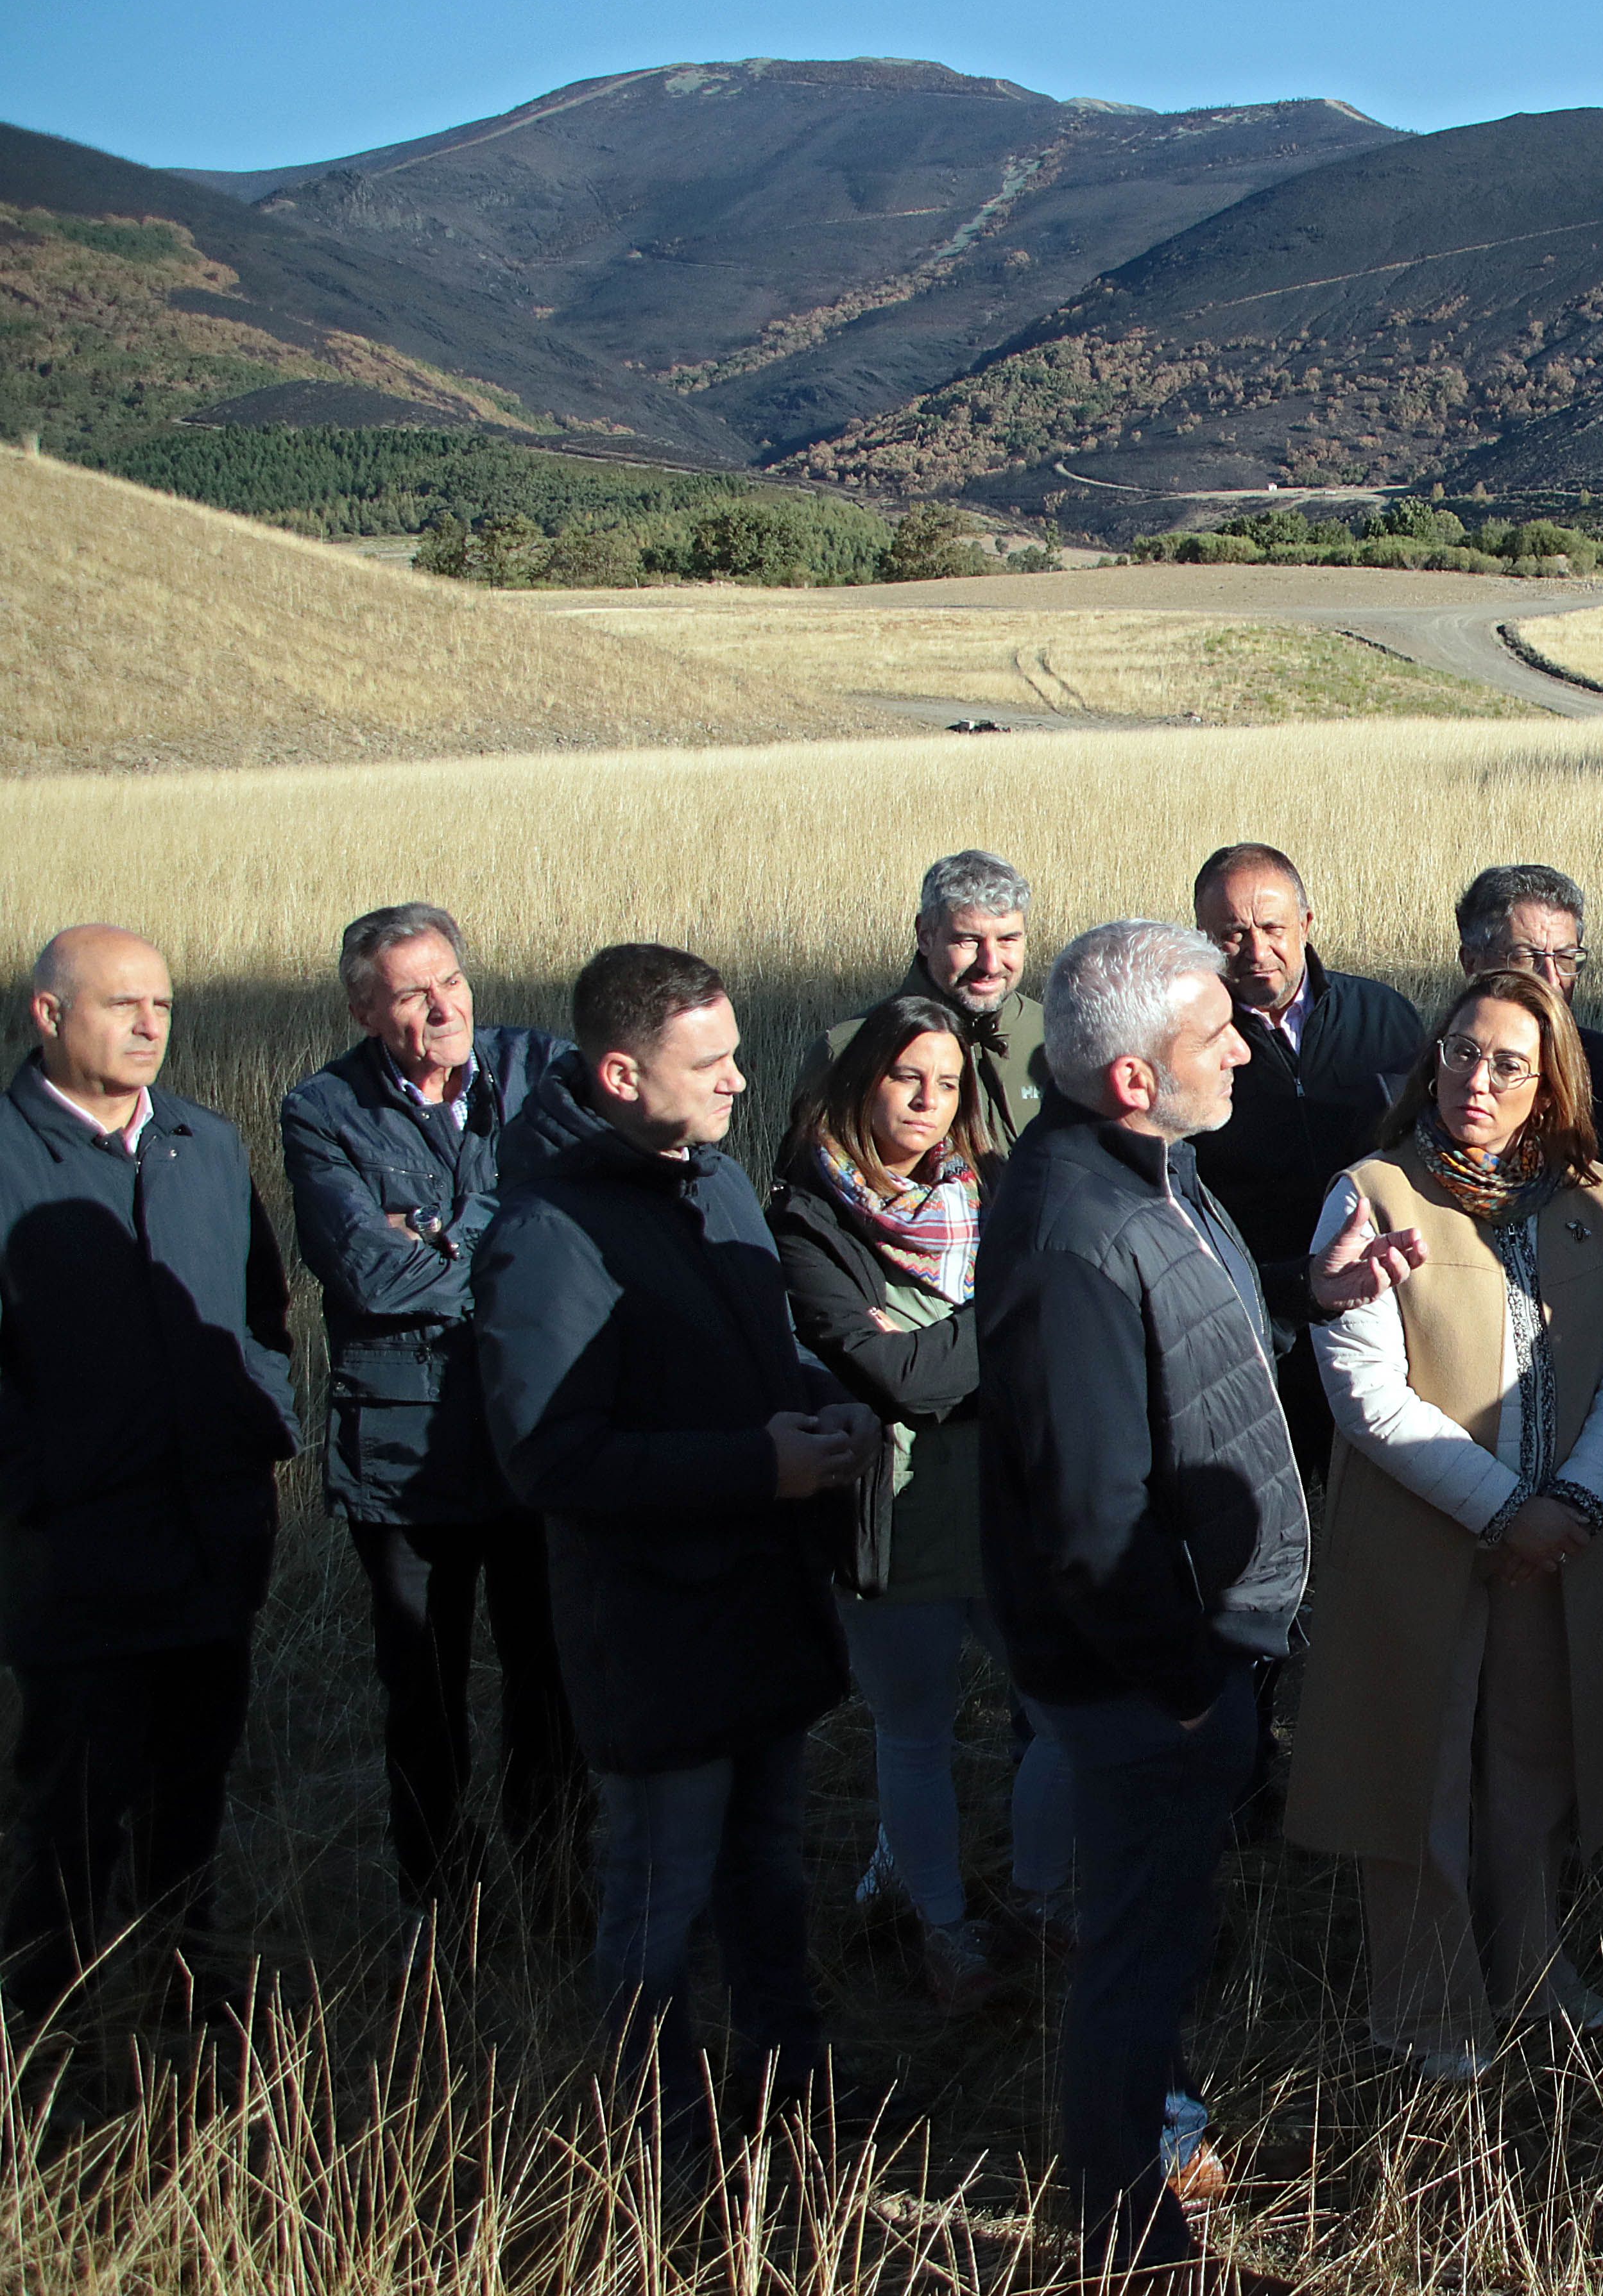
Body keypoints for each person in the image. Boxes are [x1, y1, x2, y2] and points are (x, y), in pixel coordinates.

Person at [977, 918, 1416, 2277]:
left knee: (1161, 1934)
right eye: (1214, 1035)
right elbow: (1095, 1525)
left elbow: (1196, 1328)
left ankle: (1149, 2174)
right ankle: (1132, 2236)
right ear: (1128, 1077)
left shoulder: (1155, 1173)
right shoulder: (1071, 1235)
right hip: (1142, 1690)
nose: (1241, 1049)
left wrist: (1304, 1290)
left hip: (1187, 1665)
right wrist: (1187, 1694)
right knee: (1137, 1955)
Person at [475, 944, 880, 2150]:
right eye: (708, 1062)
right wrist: (762, 1464)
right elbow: (553, 1460)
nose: (740, 1081)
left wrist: (824, 1403)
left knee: (768, 1870)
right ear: (617, 1071)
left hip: (760, 1607)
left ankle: (792, 2088)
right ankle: (658, 2143)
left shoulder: (709, 1186)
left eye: (736, 1053)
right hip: (657, 1629)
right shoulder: (549, 1234)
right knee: (658, 1895)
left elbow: (746, 1361)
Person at [1287, 969, 1603, 2078]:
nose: (1476, 1079)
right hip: (1423, 1540)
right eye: (1460, 1051)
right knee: (1421, 1763)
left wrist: (1574, 1500)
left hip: (1557, 1541)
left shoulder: (1590, 1194)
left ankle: (1535, 1969)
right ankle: (1425, 2001)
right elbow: (1363, 1393)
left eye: (1507, 1061)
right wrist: (1506, 1509)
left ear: (1549, 1078)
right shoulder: (1372, 1190)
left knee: (1533, 1755)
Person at [0, 927, 296, 2026]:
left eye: (162, 1004)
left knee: (195, 1790)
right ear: (46, 1013)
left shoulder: (201, 1144)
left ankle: (193, 2002)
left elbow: (262, 1309)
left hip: (211, 1536)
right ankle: (48, 2031)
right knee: (73, 1804)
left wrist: (261, 1422)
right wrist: (41, 1486)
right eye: (122, 1003)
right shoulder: (7, 1154)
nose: (147, 1024)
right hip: (71, 1557)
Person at [280, 903, 585, 1932]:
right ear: (366, 1009)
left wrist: (444, 1235)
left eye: (449, 979)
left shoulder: (540, 1068)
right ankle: (445, 1913)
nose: (441, 1005)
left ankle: (558, 1892)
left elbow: (579, 1224)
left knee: (552, 1683)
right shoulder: (323, 1110)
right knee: (424, 1698)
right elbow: (369, 1273)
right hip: (404, 1451)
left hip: (534, 1430)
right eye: (410, 992)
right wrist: (509, 1238)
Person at [768, 994, 1074, 2011]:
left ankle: (1035, 1904)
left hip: (1003, 1499)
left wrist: (934, 1349)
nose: (930, 1103)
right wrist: (1007, 1308)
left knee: (1062, 1707)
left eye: (948, 1084)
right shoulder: (807, 1213)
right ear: (863, 1079)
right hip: (886, 1515)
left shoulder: (989, 1185)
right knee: (914, 1731)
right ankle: (943, 1928)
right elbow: (895, 1380)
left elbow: (925, 1361)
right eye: (909, 1079)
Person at [1189, 840, 1431, 1833]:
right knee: (1253, 1564)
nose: (1253, 949)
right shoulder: (1189, 1035)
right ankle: (1243, 1783)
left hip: (1376, 1337)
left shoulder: (1383, 1018)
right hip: (1248, 1341)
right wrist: (1287, 1288)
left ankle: (1380, 1762)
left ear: (1310, 923)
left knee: (1381, 1546)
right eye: (1230, 933)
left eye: (1271, 925)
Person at [1454, 863, 1603, 1250]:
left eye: (1567, 958)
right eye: (1526, 956)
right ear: (1472, 961)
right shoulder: (1439, 1081)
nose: (1551, 979)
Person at [803, 849, 1050, 1155]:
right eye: (968, 941)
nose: (990, 964)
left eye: (1007, 940)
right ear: (924, 935)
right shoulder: (849, 1050)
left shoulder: (1058, 1036)